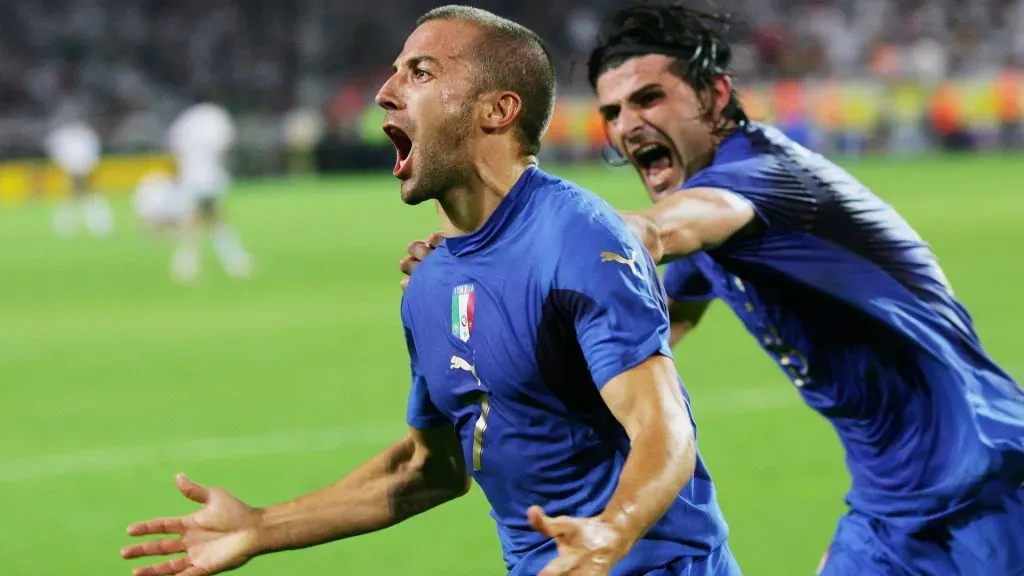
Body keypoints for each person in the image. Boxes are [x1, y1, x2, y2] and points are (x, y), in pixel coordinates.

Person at [400, 3, 1024, 575]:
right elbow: (645, 322)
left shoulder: (766, 179)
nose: (627, 125)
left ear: (715, 96)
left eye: (650, 99)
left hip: (992, 480)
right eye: (613, 111)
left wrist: (503, 245)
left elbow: (660, 229)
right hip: (889, 508)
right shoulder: (711, 222)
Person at [120, 6, 738, 576]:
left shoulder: (576, 237)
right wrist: (261, 526)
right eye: (394, 73)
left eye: (419, 72)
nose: (386, 93)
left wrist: (614, 531)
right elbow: (427, 468)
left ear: (496, 111)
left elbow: (665, 430)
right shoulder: (429, 283)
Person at [166, 98, 254, 283]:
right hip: (209, 174)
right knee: (210, 217)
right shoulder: (216, 117)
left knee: (200, 218)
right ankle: (230, 260)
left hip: (190, 174)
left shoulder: (186, 119)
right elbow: (224, 147)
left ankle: (189, 262)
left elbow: (174, 147)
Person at [45, 119, 114, 239]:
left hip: (82, 168)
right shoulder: (70, 136)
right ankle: (68, 227)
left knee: (87, 198)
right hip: (77, 168)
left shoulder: (82, 135)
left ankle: (98, 227)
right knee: (75, 199)